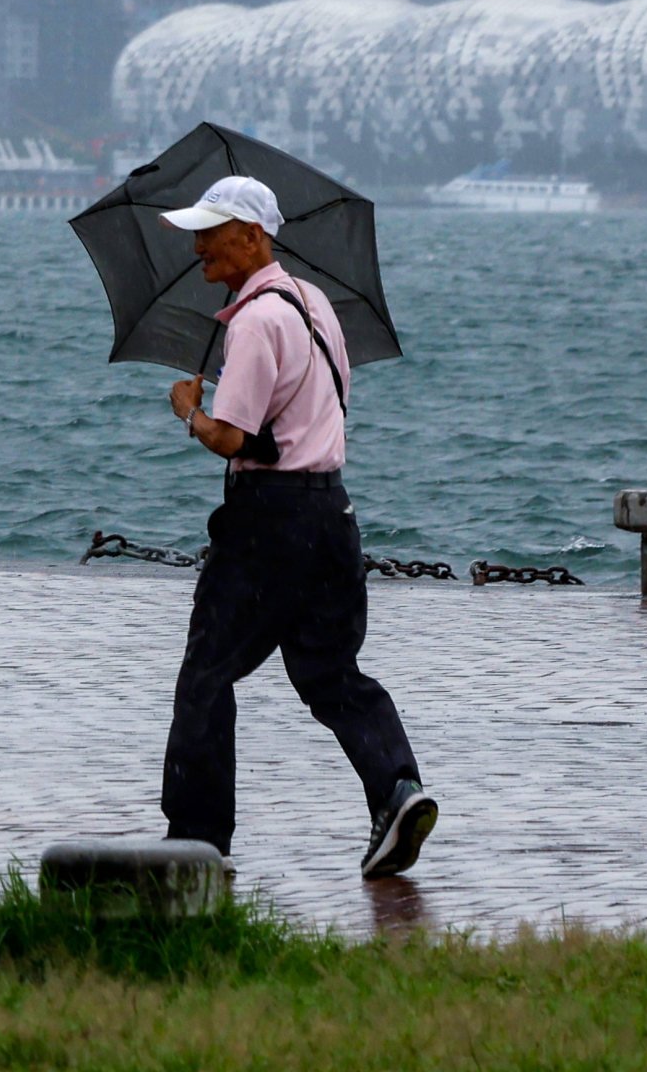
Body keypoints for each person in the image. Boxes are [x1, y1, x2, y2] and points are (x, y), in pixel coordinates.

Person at [154, 172, 439, 878]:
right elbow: (302, 413)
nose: (198, 247)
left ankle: (196, 838)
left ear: (253, 236)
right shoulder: (314, 304)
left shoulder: (254, 321)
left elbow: (237, 440)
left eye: (211, 233)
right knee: (329, 671)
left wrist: (189, 410)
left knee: (207, 675)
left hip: (268, 522)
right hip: (332, 514)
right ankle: (397, 788)